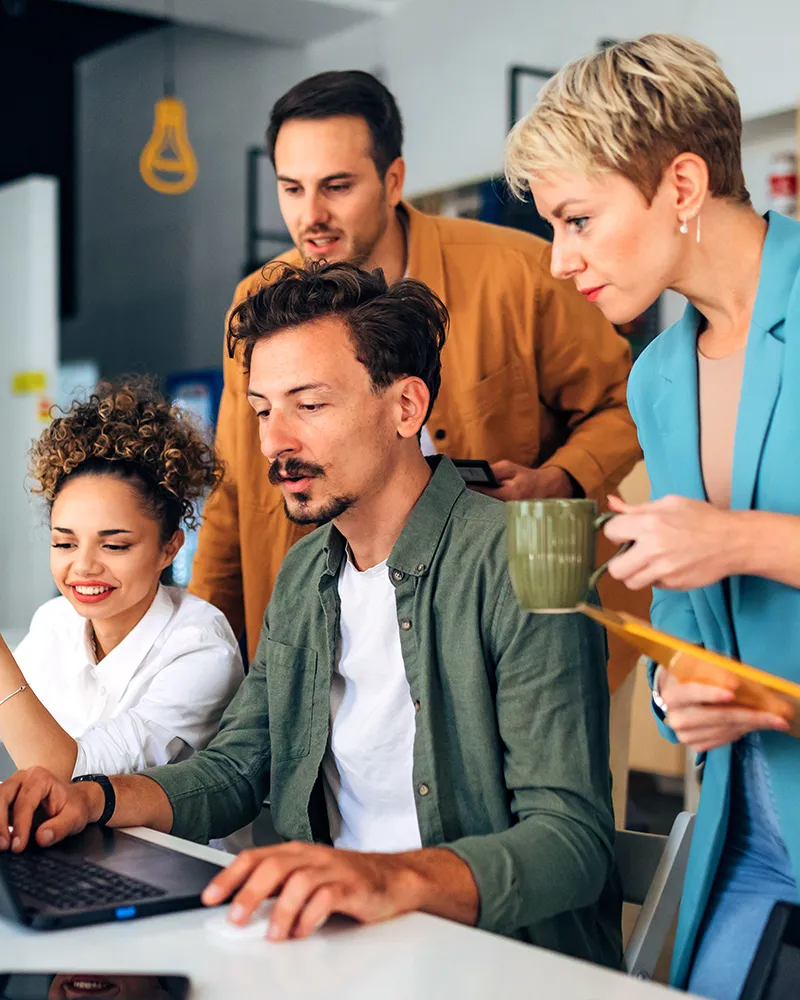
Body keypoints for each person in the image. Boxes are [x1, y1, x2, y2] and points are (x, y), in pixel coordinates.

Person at [0, 263, 621, 968]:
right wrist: (93, 801)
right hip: (331, 952)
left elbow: (572, 842)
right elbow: (237, 769)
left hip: (492, 964)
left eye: (310, 406)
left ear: (406, 408)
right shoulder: (306, 572)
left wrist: (385, 877)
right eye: (264, 410)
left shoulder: (521, 559)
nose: (274, 442)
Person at [188, 70, 646, 727]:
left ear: (393, 180)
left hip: (527, 629)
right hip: (342, 644)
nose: (310, 215)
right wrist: (210, 649)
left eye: (337, 186)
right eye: (292, 188)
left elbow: (626, 399)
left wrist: (560, 478)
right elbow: (235, 489)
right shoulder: (260, 301)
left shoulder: (518, 274)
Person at [505, 32, 800, 1000]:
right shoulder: (659, 377)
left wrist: (742, 541)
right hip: (750, 822)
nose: (560, 261)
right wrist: (684, 691)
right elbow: (688, 622)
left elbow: (724, 550)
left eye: (578, 219)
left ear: (679, 185)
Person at [0, 379, 244, 782]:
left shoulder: (200, 648)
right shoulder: (54, 622)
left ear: (169, 548)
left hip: (170, 846)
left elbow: (75, 775)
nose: (83, 567)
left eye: (113, 547)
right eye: (64, 543)